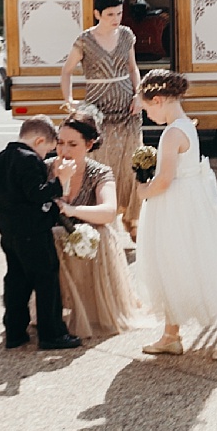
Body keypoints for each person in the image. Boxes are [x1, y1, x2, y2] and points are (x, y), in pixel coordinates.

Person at [134, 70, 217, 359]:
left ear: (159, 99)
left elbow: (164, 179)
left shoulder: (171, 133)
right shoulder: (186, 125)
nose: (148, 115)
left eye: (148, 108)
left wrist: (143, 191)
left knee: (190, 263)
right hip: (188, 201)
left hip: (177, 205)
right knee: (177, 262)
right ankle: (171, 333)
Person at [0, 116, 80, 350]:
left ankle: (15, 331)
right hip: (33, 230)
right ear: (39, 140)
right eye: (46, 150)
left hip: (8, 229)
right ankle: (52, 334)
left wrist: (8, 202)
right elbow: (37, 193)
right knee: (46, 280)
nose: (45, 156)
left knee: (16, 280)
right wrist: (60, 180)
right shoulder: (28, 161)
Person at [50, 108, 149, 341]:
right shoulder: (46, 167)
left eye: (73, 144)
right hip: (52, 234)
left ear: (89, 144)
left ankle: (93, 305)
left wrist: (73, 210)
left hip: (88, 234)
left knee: (101, 233)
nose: (64, 150)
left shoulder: (99, 172)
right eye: (60, 142)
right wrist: (60, 181)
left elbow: (108, 212)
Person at [61, 0, 143, 237]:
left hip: (128, 110)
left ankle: (133, 221)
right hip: (98, 112)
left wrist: (138, 95)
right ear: (97, 13)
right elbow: (66, 71)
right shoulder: (85, 40)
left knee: (132, 164)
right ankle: (105, 220)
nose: (116, 18)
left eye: (119, 13)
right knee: (104, 165)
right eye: (110, 14)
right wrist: (69, 101)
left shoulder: (127, 35)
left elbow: (133, 67)